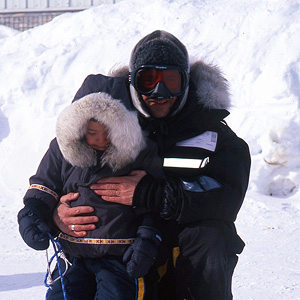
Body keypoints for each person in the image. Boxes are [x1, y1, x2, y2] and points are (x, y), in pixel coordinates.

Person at [21, 30, 251, 299]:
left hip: (178, 248)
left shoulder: (213, 136)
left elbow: (226, 198)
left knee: (211, 236)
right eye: (148, 79)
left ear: (186, 83)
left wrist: (151, 194)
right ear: (133, 81)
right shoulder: (108, 121)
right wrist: (52, 215)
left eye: (171, 81)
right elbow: (65, 167)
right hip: (117, 248)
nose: (159, 92)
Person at [17, 90, 165, 300]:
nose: (101, 139)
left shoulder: (139, 151)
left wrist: (148, 236)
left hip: (118, 256)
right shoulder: (62, 149)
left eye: (107, 132)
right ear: (79, 129)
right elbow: (44, 183)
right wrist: (32, 212)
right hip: (71, 255)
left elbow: (151, 202)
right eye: (92, 132)